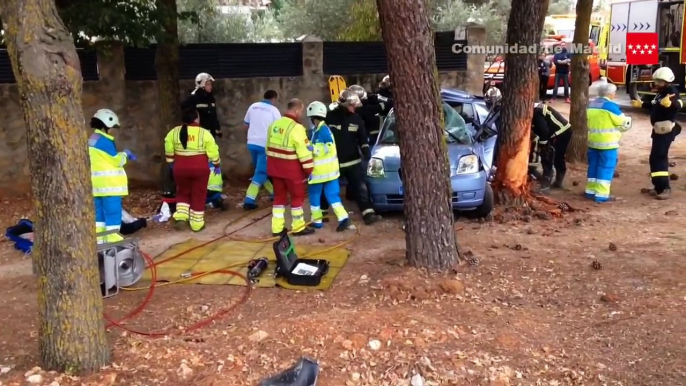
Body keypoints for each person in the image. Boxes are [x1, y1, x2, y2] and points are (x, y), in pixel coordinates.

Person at [326, 89, 382, 225]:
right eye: (352, 106)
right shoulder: (330, 117)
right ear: (345, 104)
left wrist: (366, 151)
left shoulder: (357, 119)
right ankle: (320, 214)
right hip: (334, 162)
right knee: (327, 188)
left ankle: (368, 214)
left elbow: (362, 138)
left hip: (353, 161)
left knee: (360, 188)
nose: (354, 108)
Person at [165, 108, 221, 232]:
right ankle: (196, 224)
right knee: (199, 194)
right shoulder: (204, 133)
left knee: (182, 192)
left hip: (180, 169)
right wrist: (217, 165)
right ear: (196, 118)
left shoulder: (173, 132)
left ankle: (181, 217)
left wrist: (170, 163)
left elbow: (168, 148)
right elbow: (213, 152)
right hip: (200, 169)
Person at [266, 98, 315, 236]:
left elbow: (267, 148)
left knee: (279, 198)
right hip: (292, 171)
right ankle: (298, 227)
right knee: (297, 198)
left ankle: (277, 228)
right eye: (301, 111)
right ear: (297, 110)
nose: (301, 114)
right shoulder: (297, 128)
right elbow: (304, 153)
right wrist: (309, 169)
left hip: (275, 169)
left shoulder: (274, 125)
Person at [88, 109, 136, 244]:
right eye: (114, 128)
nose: (115, 131)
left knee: (100, 215)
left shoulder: (93, 139)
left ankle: (100, 239)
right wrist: (125, 154)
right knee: (113, 212)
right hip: (109, 185)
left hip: (97, 186)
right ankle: (113, 238)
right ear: (106, 126)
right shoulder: (105, 141)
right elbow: (116, 161)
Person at [305, 101, 351, 231]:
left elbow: (326, 148)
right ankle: (343, 218)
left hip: (319, 173)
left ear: (313, 118)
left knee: (314, 196)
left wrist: (310, 147)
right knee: (333, 196)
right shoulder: (320, 130)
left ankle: (317, 221)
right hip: (330, 172)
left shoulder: (322, 131)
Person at [585, 82, 632, 203]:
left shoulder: (592, 104)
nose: (615, 95)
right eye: (614, 93)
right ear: (610, 94)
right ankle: (601, 195)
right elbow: (623, 122)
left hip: (593, 142)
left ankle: (590, 191)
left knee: (593, 167)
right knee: (606, 168)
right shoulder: (611, 106)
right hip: (608, 144)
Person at [645, 67, 683, 200]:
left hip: (665, 131)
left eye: (660, 81)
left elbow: (678, 103)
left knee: (659, 157)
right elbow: (654, 104)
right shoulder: (660, 93)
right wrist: (643, 104)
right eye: (657, 81)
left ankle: (665, 187)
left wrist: (671, 104)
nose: (657, 83)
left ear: (667, 82)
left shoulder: (671, 92)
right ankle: (658, 186)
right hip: (658, 130)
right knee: (654, 158)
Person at [243, 90, 280, 209]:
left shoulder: (253, 106)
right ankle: (249, 199)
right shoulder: (274, 110)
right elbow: (279, 129)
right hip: (265, 145)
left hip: (252, 143)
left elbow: (245, 125)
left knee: (262, 170)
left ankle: (275, 193)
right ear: (274, 99)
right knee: (261, 172)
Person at [531, 102, 572, 189]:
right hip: (556, 132)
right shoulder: (535, 109)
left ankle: (548, 179)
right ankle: (554, 179)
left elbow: (544, 132)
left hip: (561, 132)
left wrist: (543, 145)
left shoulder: (536, 113)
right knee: (555, 156)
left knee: (549, 154)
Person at [181, 73, 222, 138]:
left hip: (210, 134)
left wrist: (217, 128)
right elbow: (187, 114)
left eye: (210, 84)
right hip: (199, 134)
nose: (210, 86)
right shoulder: (194, 98)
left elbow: (214, 115)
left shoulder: (211, 98)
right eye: (208, 84)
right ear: (202, 85)